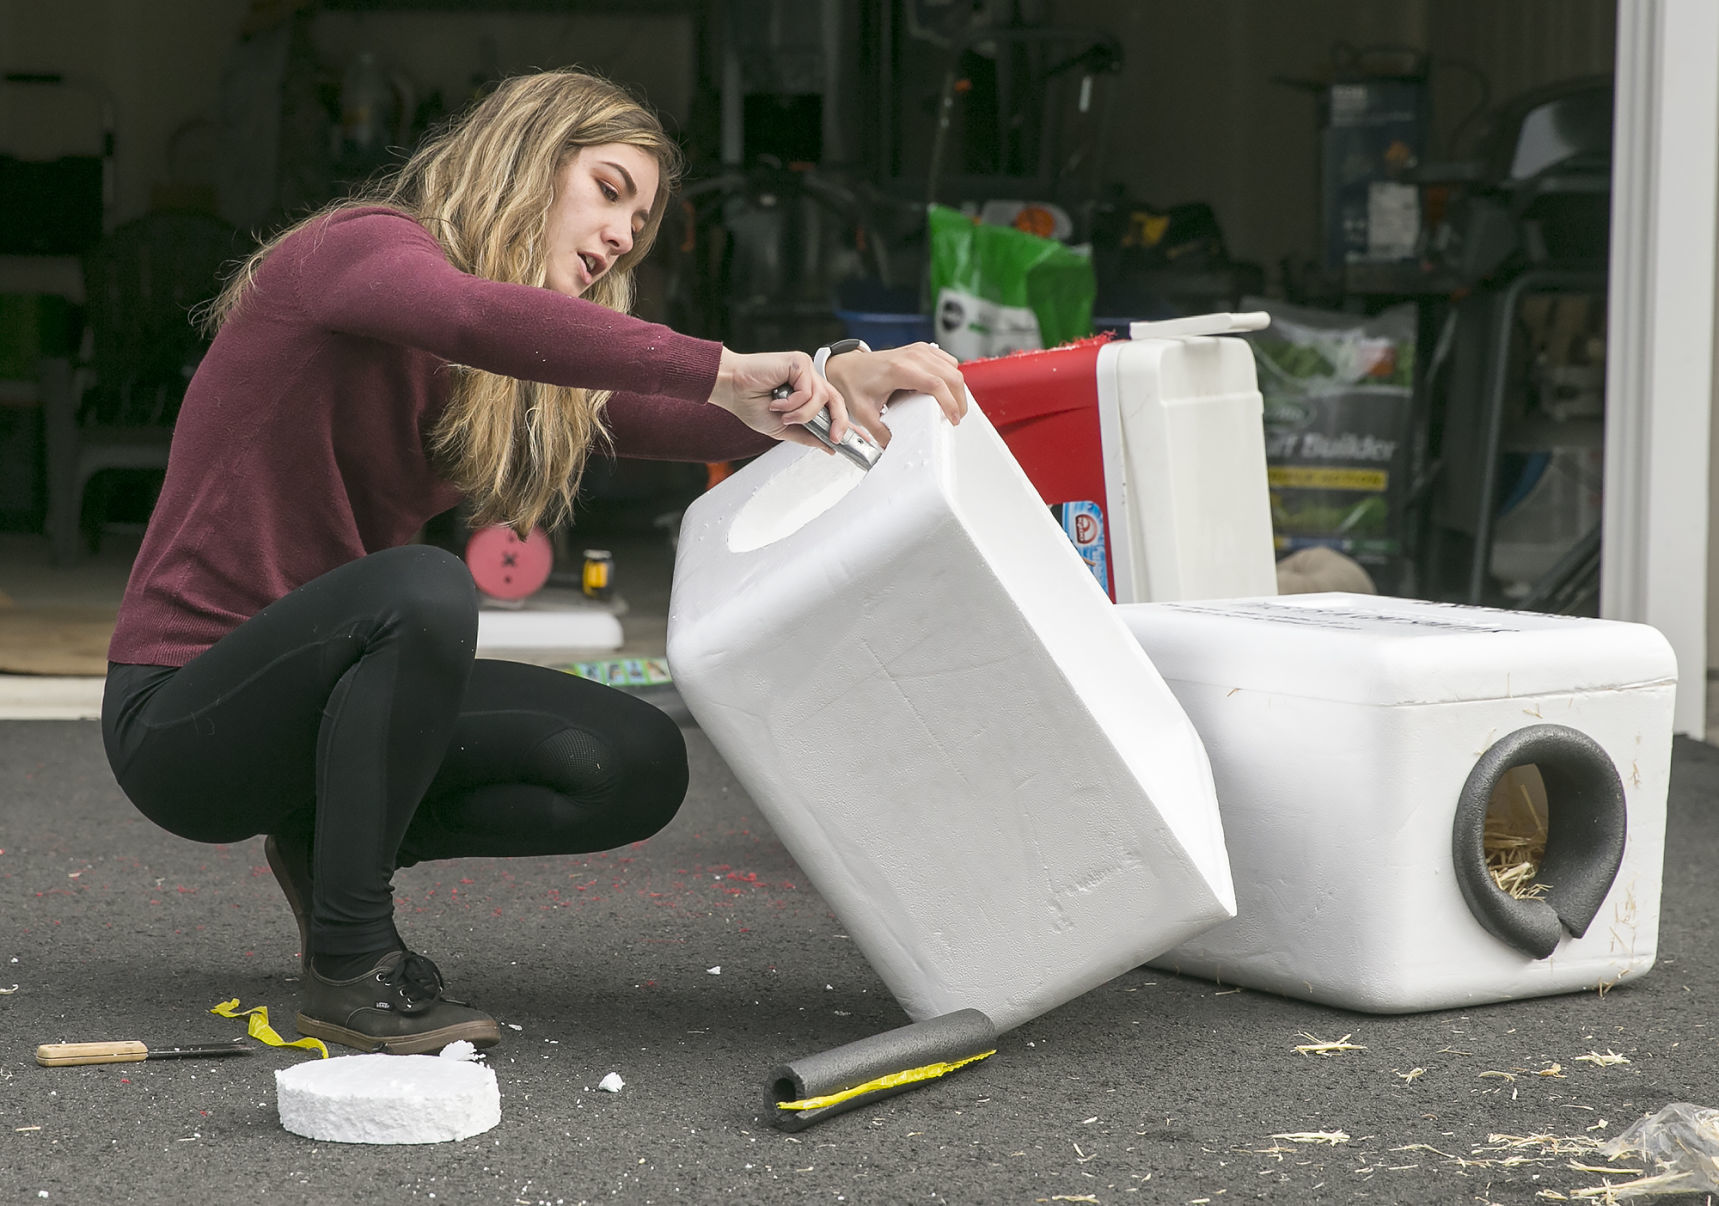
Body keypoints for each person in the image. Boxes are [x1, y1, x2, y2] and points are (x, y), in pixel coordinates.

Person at [100, 68, 968, 1056]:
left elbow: (655, 408)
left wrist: (829, 380)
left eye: (637, 225)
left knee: (635, 761)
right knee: (421, 592)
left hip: (322, 717)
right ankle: (352, 966)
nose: (617, 236)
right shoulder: (362, 252)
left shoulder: (505, 367)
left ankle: (327, 847)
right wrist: (724, 367)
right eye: (606, 191)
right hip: (182, 717)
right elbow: (474, 320)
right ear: (525, 158)